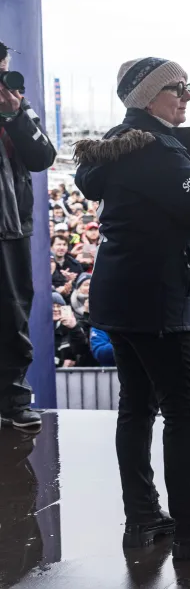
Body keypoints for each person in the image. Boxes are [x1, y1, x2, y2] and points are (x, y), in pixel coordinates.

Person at [73, 57, 190, 557]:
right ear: (147, 97)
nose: (187, 95)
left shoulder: (124, 143)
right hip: (160, 301)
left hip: (121, 295)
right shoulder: (156, 149)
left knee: (135, 409)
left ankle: (144, 518)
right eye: (178, 87)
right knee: (180, 411)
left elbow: (170, 201)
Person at [0, 40, 58, 430]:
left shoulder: (18, 105)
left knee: (12, 313)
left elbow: (43, 157)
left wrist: (14, 114)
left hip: (11, 227)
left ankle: (13, 400)